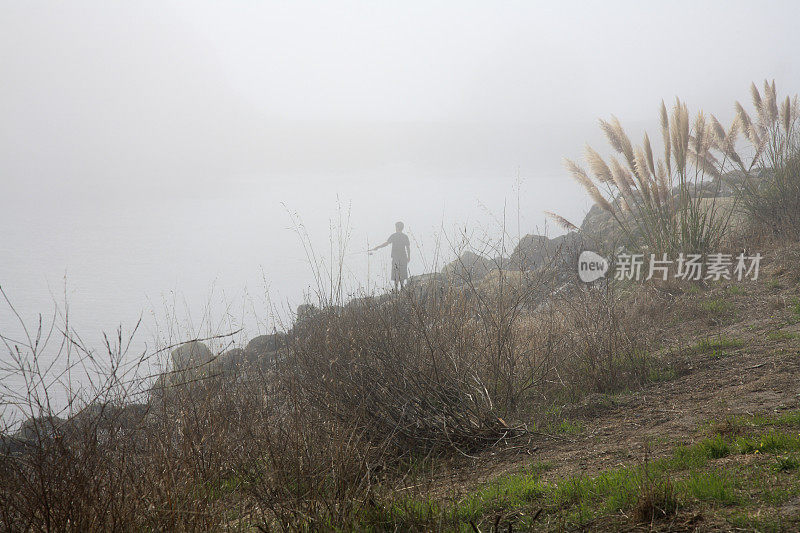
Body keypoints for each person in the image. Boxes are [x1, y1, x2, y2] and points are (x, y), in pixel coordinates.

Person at [371, 221, 411, 290]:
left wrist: (378, 247)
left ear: (397, 227)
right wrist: (408, 257)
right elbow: (408, 248)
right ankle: (402, 287)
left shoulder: (394, 236)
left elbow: (386, 243)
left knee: (395, 272)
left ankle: (396, 288)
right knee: (402, 271)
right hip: (403, 257)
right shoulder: (405, 236)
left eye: (396, 227)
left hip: (395, 257)